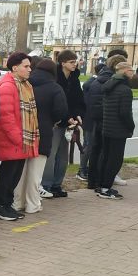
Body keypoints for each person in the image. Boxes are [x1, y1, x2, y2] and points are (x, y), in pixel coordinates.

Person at [0, 53, 38, 221]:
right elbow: (6, 117)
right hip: (13, 139)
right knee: (8, 173)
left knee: (15, 175)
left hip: (21, 138)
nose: (29, 69)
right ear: (15, 68)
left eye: (29, 66)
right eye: (26, 66)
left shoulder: (24, 85)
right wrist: (19, 138)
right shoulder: (8, 86)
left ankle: (7, 205)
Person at [18, 58, 67, 214]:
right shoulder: (55, 88)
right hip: (43, 131)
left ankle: (17, 202)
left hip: (24, 130)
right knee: (36, 173)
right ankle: (32, 204)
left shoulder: (25, 84)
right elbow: (61, 111)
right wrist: (52, 121)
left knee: (21, 171)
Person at [83, 50, 128, 189]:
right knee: (107, 154)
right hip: (108, 122)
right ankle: (102, 183)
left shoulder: (99, 79)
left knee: (96, 151)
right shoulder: (112, 82)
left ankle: (94, 181)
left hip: (97, 120)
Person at [42, 50, 83, 196]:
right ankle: (46, 185)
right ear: (63, 63)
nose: (74, 64)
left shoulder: (74, 78)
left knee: (63, 156)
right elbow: (55, 102)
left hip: (69, 123)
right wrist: (66, 118)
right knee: (51, 155)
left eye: (75, 61)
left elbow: (78, 99)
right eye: (71, 62)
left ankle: (56, 185)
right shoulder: (55, 78)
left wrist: (77, 115)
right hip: (55, 122)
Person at [97, 58, 136, 199]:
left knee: (105, 157)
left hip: (107, 127)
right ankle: (106, 188)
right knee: (115, 160)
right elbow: (125, 113)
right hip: (119, 130)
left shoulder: (109, 85)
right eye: (131, 70)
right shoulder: (125, 89)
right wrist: (131, 126)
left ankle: (101, 185)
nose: (133, 73)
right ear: (125, 71)